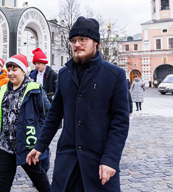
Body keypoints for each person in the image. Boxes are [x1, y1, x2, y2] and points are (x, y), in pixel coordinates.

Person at [26, 16, 130, 191]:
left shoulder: (114, 75)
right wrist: (40, 145)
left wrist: (110, 159)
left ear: (95, 42)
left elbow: (120, 123)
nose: (77, 44)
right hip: (68, 162)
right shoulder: (65, 74)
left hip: (98, 162)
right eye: (74, 40)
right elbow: (54, 114)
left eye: (83, 39)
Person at [0, 54, 51, 192]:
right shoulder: (4, 89)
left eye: (14, 69)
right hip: (5, 146)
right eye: (8, 69)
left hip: (28, 145)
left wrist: (40, 140)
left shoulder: (35, 89)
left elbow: (48, 115)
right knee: (1, 184)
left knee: (41, 182)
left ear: (23, 70)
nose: (10, 73)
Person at [29, 47, 58, 173]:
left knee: (44, 137)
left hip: (47, 111)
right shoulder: (32, 75)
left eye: (39, 63)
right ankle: (39, 164)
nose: (37, 66)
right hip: (35, 111)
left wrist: (49, 98)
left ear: (44, 63)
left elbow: (57, 93)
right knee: (37, 137)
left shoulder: (52, 75)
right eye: (35, 63)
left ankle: (44, 167)